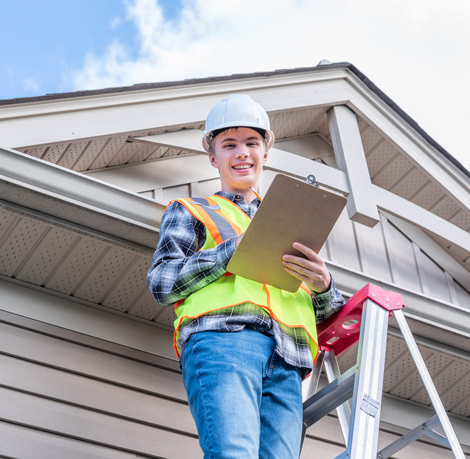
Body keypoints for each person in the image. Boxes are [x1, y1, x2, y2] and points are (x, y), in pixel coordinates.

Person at [147, 94, 344, 459]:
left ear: (264, 153)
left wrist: (324, 286)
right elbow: (162, 282)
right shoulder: (193, 210)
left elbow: (327, 313)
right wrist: (229, 253)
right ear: (213, 157)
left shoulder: (293, 222)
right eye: (229, 145)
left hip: (288, 361)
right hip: (226, 342)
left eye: (252, 143)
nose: (242, 153)